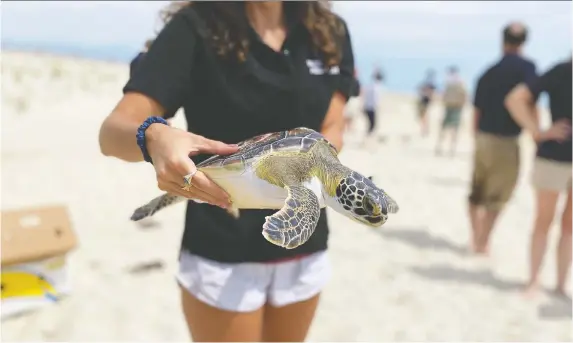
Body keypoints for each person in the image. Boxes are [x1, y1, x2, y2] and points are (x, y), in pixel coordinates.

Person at [98, 1, 354, 342]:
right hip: (222, 244)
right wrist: (154, 137)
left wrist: (319, 159)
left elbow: (332, 126)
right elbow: (112, 133)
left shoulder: (328, 32)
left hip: (305, 239)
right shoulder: (195, 28)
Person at [468, 22, 537, 255]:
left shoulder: (488, 72)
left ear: (503, 41)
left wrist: (476, 137)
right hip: (507, 140)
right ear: (524, 42)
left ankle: (475, 235)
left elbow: (476, 112)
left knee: (477, 191)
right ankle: (483, 242)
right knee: (498, 196)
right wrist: (536, 132)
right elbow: (530, 101)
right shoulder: (527, 68)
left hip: (483, 137)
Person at [506, 59, 572, 297]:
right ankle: (533, 280)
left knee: (569, 226)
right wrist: (538, 131)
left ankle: (561, 286)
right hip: (552, 158)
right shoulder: (561, 71)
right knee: (544, 220)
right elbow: (515, 99)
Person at [435, 66, 467, 156]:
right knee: (451, 128)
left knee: (446, 128)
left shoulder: (452, 82)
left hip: (453, 107)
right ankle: (448, 148)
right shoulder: (457, 82)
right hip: (454, 107)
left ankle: (443, 147)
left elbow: (444, 95)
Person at [361, 69, 384, 145]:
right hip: (371, 107)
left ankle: (367, 139)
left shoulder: (370, 86)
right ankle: (367, 139)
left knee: (370, 124)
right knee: (372, 125)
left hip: (367, 107)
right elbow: (376, 98)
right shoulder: (376, 87)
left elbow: (364, 96)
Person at [417, 69, 436, 137]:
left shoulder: (429, 84)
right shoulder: (428, 84)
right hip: (424, 101)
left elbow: (431, 94)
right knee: (423, 116)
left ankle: (425, 129)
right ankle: (424, 129)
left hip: (425, 102)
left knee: (425, 116)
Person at [343, 68, 361, 133]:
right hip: (350, 98)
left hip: (354, 99)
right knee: (347, 115)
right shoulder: (350, 81)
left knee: (351, 115)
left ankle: (350, 128)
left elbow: (359, 92)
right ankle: (348, 127)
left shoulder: (355, 81)